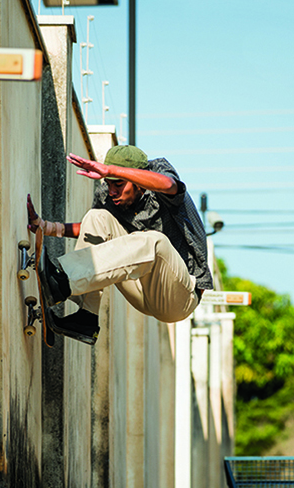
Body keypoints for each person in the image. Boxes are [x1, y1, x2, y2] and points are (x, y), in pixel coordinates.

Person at [28, 145, 213, 345]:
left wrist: (112, 171)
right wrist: (46, 227)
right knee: (97, 217)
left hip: (179, 297)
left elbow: (168, 185)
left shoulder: (158, 173)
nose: (112, 191)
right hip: (140, 289)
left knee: (153, 241)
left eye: (119, 185)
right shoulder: (107, 196)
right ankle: (86, 318)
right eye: (108, 184)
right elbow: (92, 231)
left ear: (138, 182)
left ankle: (61, 283)